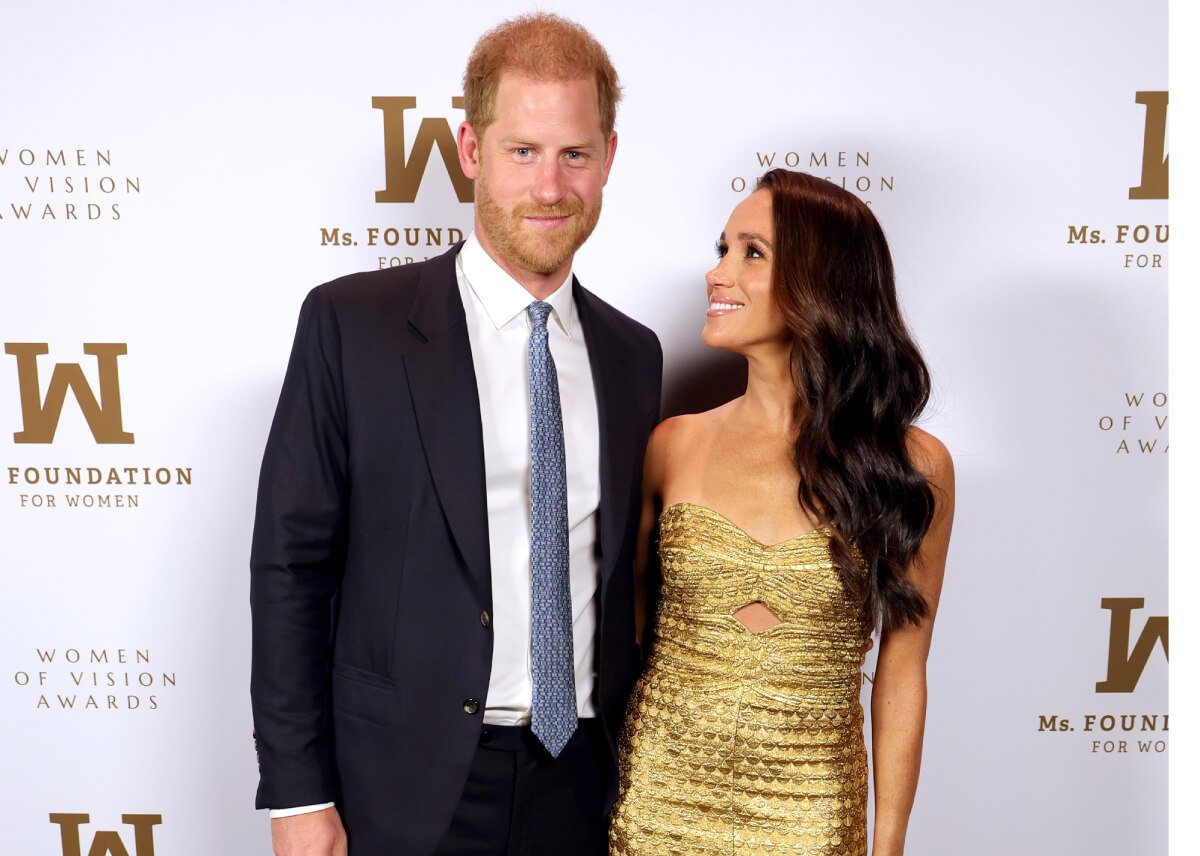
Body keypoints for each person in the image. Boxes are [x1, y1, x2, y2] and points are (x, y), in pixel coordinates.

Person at [249, 13, 661, 856]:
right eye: (522, 151)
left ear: (609, 159)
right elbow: (292, 568)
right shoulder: (352, 326)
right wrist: (297, 794)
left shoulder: (632, 355)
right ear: (471, 151)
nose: (550, 187)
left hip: (588, 781)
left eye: (575, 154)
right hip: (402, 785)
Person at [608, 169, 954, 856]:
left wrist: (887, 846)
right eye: (722, 248)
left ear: (820, 283)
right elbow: (630, 638)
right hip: (660, 801)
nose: (717, 273)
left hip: (814, 812)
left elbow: (903, 671)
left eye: (751, 252)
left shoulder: (913, 467)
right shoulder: (672, 445)